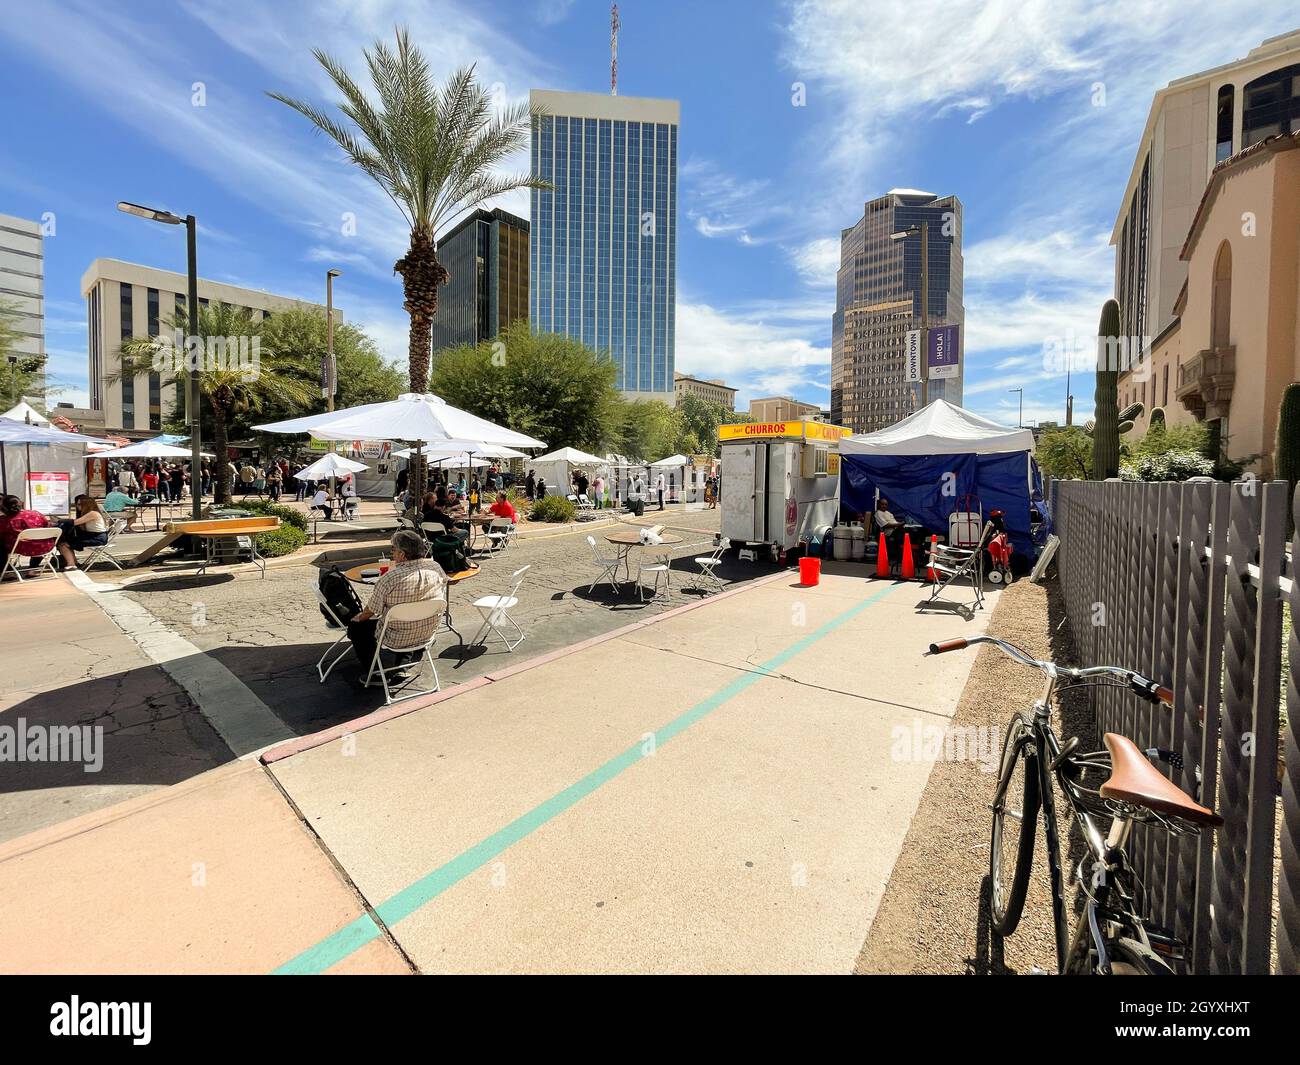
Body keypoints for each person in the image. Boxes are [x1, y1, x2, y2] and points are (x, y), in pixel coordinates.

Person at [346, 529, 448, 678]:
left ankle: (374, 671)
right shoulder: (435, 567)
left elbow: (372, 611)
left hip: (397, 637)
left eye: (393, 549)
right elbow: (445, 581)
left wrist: (358, 618)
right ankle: (401, 666)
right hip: (427, 632)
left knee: (357, 627)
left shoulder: (389, 578)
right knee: (407, 616)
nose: (391, 553)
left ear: (402, 554)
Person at [0, 494, 57, 571]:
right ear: (21, 503)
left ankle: (6, 570)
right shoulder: (36, 514)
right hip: (45, 547)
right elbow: (48, 526)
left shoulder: (5, 520)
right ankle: (33, 568)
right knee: (39, 538)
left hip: (22, 548)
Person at [56, 495, 108, 570]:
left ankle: (71, 564)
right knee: (67, 540)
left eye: (80, 504)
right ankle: (74, 562)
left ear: (86, 505)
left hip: (97, 538)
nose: (77, 506)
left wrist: (59, 521)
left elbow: (75, 522)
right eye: (77, 504)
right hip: (94, 536)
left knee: (63, 544)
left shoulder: (93, 513)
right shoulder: (91, 513)